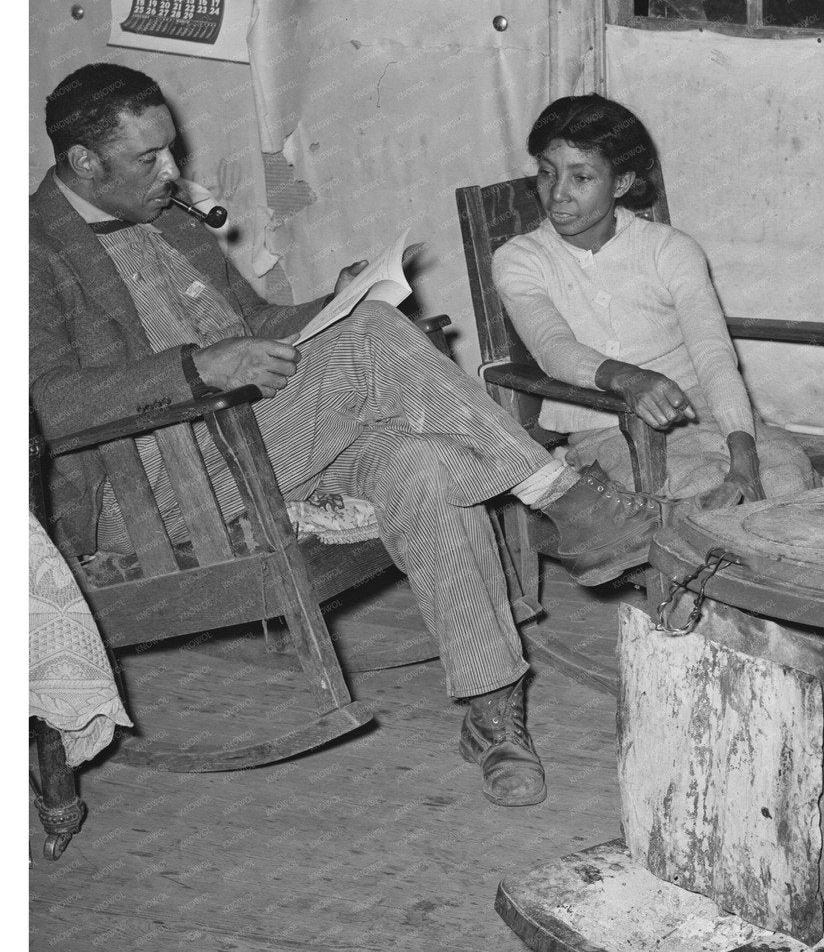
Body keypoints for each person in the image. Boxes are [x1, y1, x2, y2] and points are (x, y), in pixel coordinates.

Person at [30, 63, 661, 808]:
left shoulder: (166, 219)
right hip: (159, 488)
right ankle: (559, 494)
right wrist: (196, 367)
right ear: (83, 163)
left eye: (171, 150)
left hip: (254, 443)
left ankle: (492, 708)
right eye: (150, 158)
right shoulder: (31, 249)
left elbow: (256, 328)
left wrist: (339, 299)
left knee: (420, 459)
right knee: (368, 344)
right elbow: (42, 403)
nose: (174, 170)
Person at [493, 94, 814, 510]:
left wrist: (743, 451)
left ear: (622, 183)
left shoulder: (669, 249)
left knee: (787, 478)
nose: (558, 195)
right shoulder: (520, 259)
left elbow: (712, 353)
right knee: (699, 494)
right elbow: (554, 349)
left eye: (582, 178)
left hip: (705, 411)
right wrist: (629, 378)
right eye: (547, 174)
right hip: (606, 429)